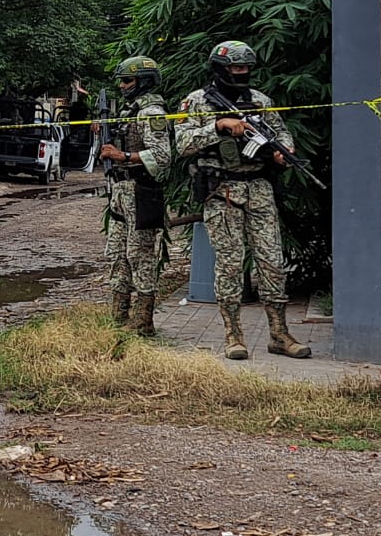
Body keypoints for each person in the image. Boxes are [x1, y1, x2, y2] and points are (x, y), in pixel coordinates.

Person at [174, 40, 311, 360]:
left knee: (273, 263)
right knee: (230, 266)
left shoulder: (260, 101)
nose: (242, 73)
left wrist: (282, 153)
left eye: (246, 68)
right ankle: (233, 335)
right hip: (221, 192)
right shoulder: (195, 102)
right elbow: (181, 144)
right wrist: (218, 127)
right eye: (236, 68)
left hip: (259, 189)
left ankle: (279, 334)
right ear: (220, 69)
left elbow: (281, 133)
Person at [97, 55, 172, 335]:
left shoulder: (151, 113)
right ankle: (118, 317)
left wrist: (124, 155)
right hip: (121, 190)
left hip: (142, 191)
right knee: (117, 253)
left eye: (127, 80)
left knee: (140, 255)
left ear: (143, 81)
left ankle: (143, 322)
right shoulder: (131, 111)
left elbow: (163, 157)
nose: (122, 86)